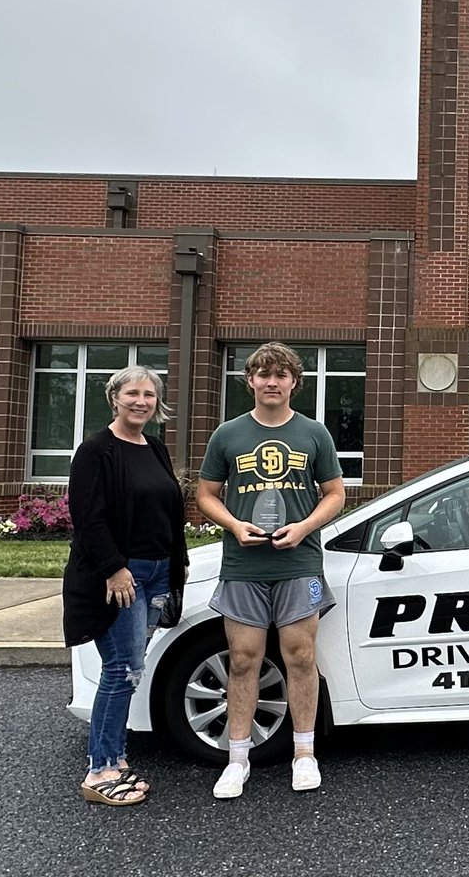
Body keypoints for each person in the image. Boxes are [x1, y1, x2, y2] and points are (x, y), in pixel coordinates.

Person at [196, 341, 346, 799]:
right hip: (243, 564)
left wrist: (303, 528)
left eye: (281, 375)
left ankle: (304, 754)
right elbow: (206, 494)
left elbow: (336, 494)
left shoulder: (314, 434)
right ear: (250, 381)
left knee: (300, 656)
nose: (272, 382)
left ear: (294, 383)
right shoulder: (228, 434)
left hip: (299, 562)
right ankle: (237, 759)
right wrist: (234, 525)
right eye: (263, 374)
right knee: (243, 661)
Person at [64, 366, 187, 806]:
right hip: (123, 577)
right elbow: (88, 518)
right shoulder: (97, 450)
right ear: (114, 398)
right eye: (132, 393)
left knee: (128, 672)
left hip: (156, 573)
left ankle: (115, 759)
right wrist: (115, 569)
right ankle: (101, 769)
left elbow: (167, 511)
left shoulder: (152, 447)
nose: (141, 401)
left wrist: (175, 568)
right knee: (121, 670)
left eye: (149, 394)